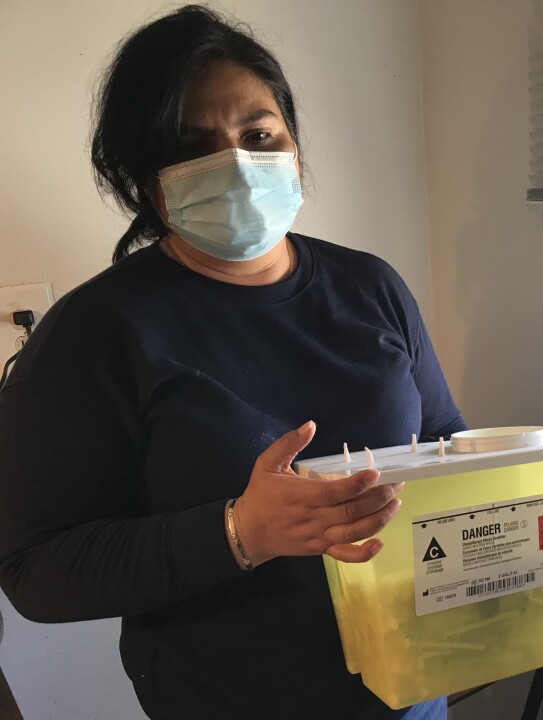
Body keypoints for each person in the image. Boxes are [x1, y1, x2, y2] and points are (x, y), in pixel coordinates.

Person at [0, 6, 464, 719]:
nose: (239, 165)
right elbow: (36, 572)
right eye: (194, 147)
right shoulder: (93, 335)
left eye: (258, 135)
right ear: (143, 178)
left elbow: (444, 446)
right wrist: (239, 533)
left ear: (294, 146)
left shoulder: (373, 288)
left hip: (409, 695)